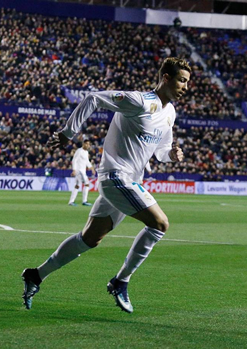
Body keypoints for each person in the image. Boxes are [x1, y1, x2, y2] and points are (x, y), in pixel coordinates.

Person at [22, 57, 190, 313]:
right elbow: (93, 98)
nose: (185, 87)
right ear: (166, 78)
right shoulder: (140, 101)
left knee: (89, 238)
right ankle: (121, 281)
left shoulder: (170, 113)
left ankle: (36, 274)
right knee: (159, 224)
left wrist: (171, 155)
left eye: (187, 82)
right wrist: (68, 133)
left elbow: (161, 151)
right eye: (181, 80)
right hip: (115, 176)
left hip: (129, 182)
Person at [68, 139, 96, 206]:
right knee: (86, 184)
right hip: (79, 171)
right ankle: (83, 201)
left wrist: (91, 168)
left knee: (78, 185)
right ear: (83, 144)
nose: (88, 145)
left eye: (89, 144)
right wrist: (74, 170)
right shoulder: (79, 151)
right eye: (87, 144)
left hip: (82, 171)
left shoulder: (86, 152)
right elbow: (74, 160)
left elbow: (87, 161)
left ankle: (72, 201)